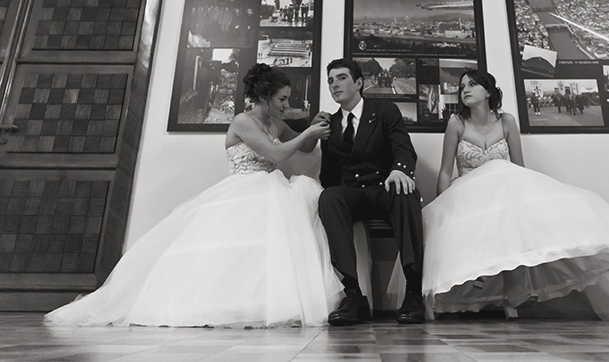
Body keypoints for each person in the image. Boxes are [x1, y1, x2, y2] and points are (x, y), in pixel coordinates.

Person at [45, 64, 345, 328]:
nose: (286, 104)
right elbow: (277, 153)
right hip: (243, 190)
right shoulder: (243, 121)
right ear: (264, 97)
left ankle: (266, 305)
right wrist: (307, 134)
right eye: (282, 99)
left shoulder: (277, 123)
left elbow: (305, 148)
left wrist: (313, 125)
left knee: (283, 232)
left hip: (272, 188)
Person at [421, 70, 609, 321]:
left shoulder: (506, 121)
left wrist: (526, 198)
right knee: (477, 215)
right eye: (462, 87)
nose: (465, 90)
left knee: (514, 205)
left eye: (471, 85)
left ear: (488, 91)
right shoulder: (456, 123)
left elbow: (518, 167)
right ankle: (500, 289)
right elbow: (446, 171)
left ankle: (515, 291)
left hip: (503, 191)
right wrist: (443, 203)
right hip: (470, 192)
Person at [316, 58, 425, 325]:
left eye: (341, 78)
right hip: (354, 194)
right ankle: (353, 295)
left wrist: (400, 170)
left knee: (406, 191)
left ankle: (413, 292)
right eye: (330, 80)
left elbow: (404, 147)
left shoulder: (385, 110)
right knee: (329, 196)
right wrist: (319, 136)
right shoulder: (329, 123)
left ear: (359, 83)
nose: (334, 84)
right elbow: (328, 176)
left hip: (385, 187)